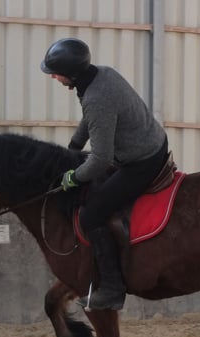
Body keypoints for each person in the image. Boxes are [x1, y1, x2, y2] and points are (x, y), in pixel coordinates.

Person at [40, 38, 169, 311]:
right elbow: (91, 120)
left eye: (55, 72)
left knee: (92, 214)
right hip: (151, 141)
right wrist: (73, 149)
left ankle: (111, 288)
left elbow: (100, 159)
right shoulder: (101, 74)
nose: (53, 76)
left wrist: (73, 177)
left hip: (142, 161)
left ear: (71, 74)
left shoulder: (97, 97)